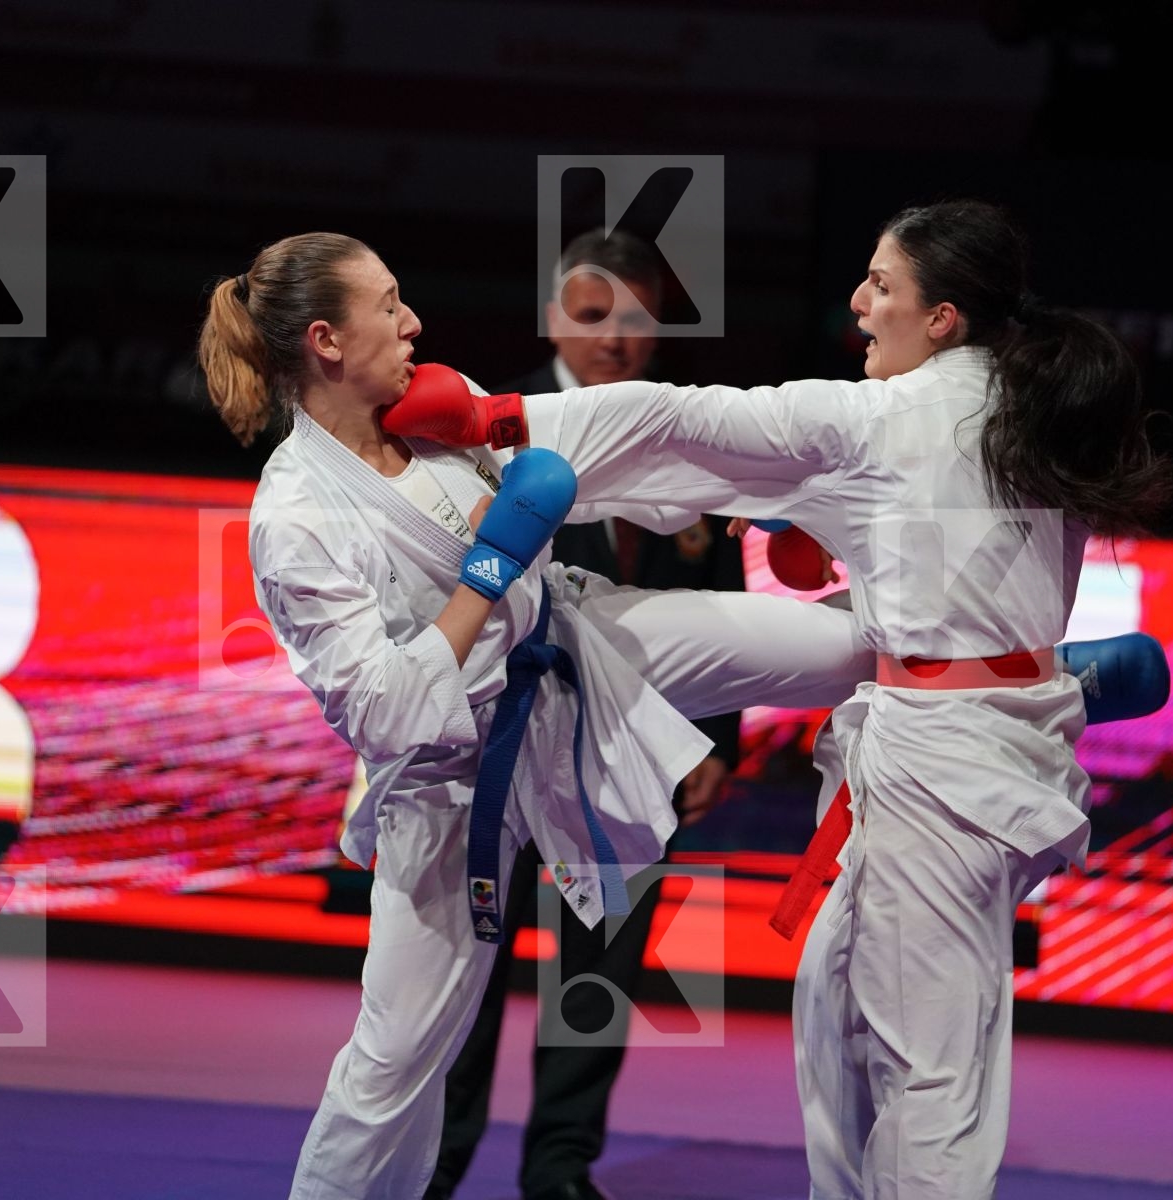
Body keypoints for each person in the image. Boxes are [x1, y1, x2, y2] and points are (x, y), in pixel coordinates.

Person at [382, 199, 1173, 1198]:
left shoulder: (887, 418)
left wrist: (502, 421)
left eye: (881, 285)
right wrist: (821, 530)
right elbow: (938, 565)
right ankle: (1067, 675)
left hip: (943, 764)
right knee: (839, 1008)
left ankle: (564, 631)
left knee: (925, 1068)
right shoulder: (1034, 405)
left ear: (941, 319)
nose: (857, 302)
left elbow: (687, 419)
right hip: (973, 738)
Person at [196, 232, 887, 1200]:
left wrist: (764, 504)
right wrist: (485, 571)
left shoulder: (440, 406)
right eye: (389, 305)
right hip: (451, 785)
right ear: (327, 341)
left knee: (842, 650)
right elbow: (389, 711)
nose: (413, 321)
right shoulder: (296, 516)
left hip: (574, 652)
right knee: (397, 1064)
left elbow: (602, 457)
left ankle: (1019, 673)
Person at [432, 230, 747, 1200]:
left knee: (596, 971)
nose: (616, 338)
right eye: (593, 313)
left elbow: (721, 613)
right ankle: (437, 1163)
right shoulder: (483, 434)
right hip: (500, 750)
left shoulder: (689, 441)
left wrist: (714, 743)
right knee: (466, 973)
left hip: (630, 754)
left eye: (638, 319)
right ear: (551, 315)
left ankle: (561, 1165)